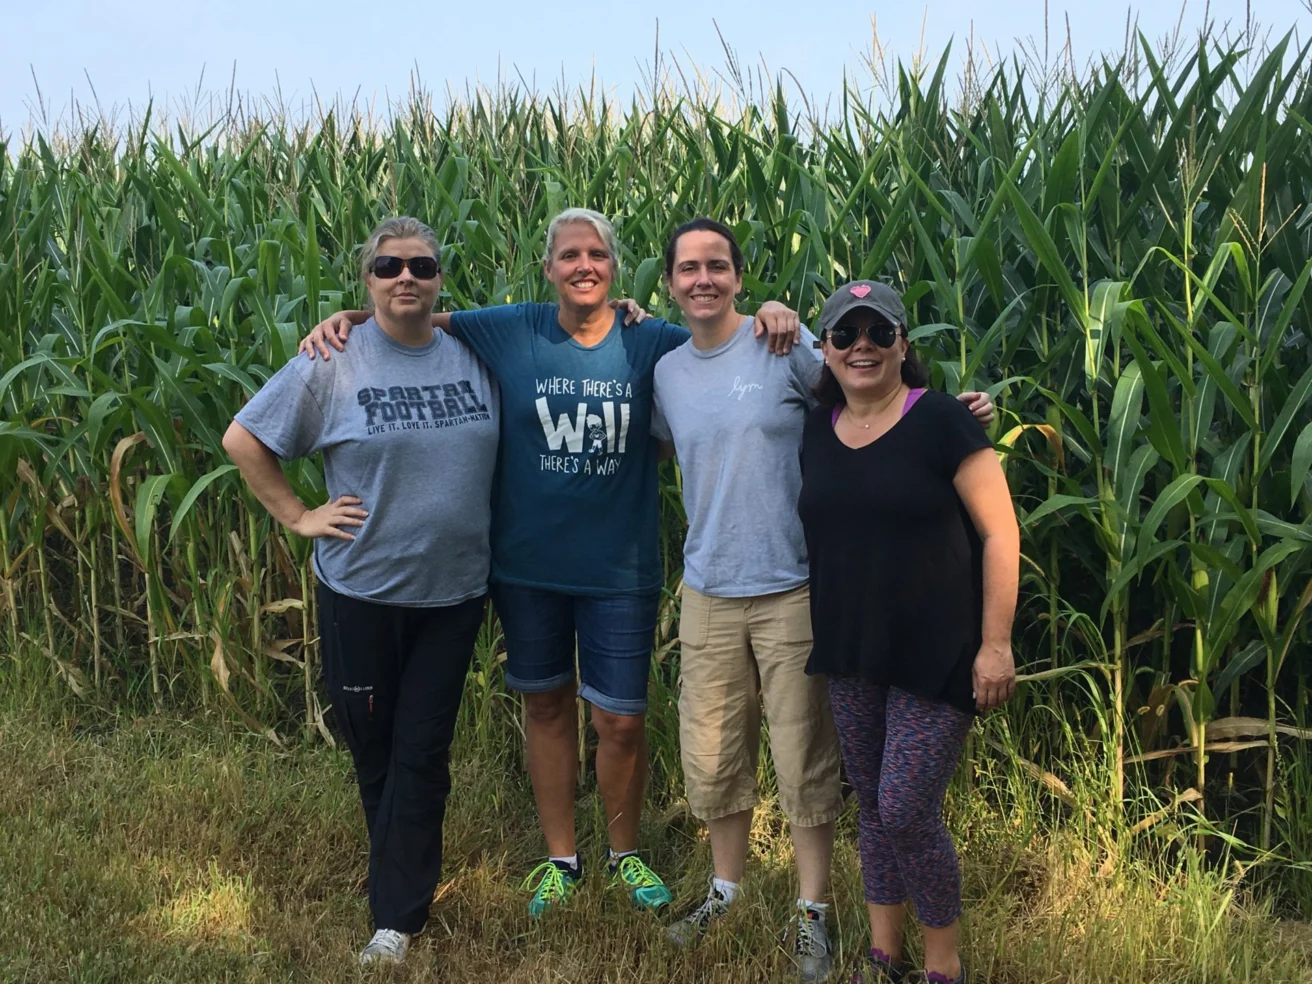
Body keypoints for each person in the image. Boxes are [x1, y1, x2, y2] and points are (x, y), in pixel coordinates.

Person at [296, 208, 802, 918]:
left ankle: (624, 852)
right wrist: (349, 316)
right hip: (527, 565)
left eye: (597, 253)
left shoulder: (650, 339)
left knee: (621, 720)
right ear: (548, 268)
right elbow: (416, 317)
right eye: (569, 254)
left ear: (617, 268)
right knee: (547, 705)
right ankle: (561, 857)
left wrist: (772, 310)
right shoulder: (512, 328)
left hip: (619, 568)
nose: (584, 265)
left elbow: (719, 334)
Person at [650, 221, 995, 983]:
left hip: (800, 590)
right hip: (709, 586)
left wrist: (955, 416)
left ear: (740, 275)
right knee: (713, 758)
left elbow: (880, 394)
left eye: (717, 266)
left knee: (808, 762)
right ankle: (726, 890)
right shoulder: (667, 370)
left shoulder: (789, 344)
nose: (702, 279)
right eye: (687, 268)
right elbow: (655, 444)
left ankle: (815, 913)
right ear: (669, 282)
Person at [222, 217, 499, 966]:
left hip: (453, 595)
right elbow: (244, 438)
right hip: (361, 591)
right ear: (366, 278)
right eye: (387, 266)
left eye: (419, 264)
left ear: (440, 276)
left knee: (422, 747)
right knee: (372, 744)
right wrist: (298, 514)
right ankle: (395, 877)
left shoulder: (477, 352)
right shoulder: (333, 363)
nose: (404, 276)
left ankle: (397, 916)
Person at [797, 281, 1019, 984]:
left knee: (904, 805)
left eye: (878, 332)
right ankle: (882, 953)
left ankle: (942, 964)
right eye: (845, 334)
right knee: (872, 804)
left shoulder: (944, 421)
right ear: (825, 349)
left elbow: (1000, 532)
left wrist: (996, 644)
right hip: (853, 646)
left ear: (903, 345)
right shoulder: (816, 426)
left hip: (938, 649)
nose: (861, 345)